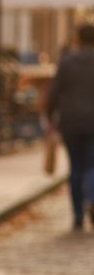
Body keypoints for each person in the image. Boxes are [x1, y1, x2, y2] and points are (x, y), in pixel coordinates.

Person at [46, 20, 94, 230]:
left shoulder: (67, 61)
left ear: (78, 40)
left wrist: (49, 116)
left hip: (71, 123)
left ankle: (77, 214)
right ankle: (92, 199)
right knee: (92, 166)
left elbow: (54, 92)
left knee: (75, 167)